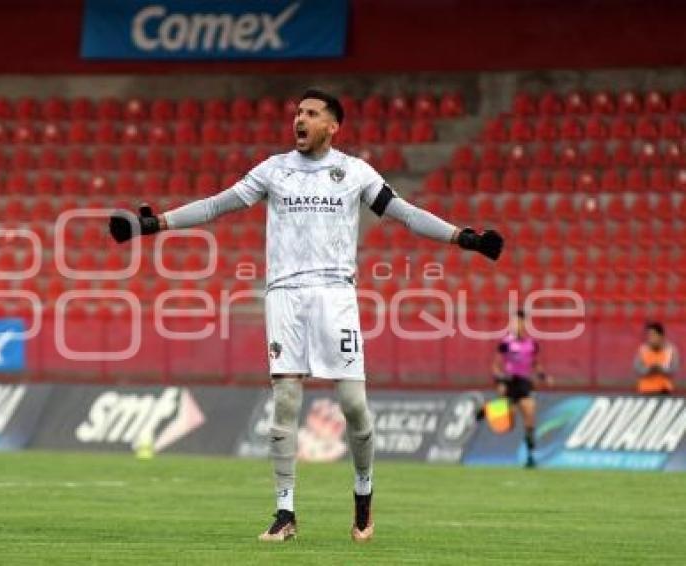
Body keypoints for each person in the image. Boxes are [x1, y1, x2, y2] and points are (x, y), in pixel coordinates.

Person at [108, 88, 503, 542]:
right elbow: (218, 204)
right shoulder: (274, 170)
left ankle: (363, 493)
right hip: (285, 295)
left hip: (336, 295)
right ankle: (284, 511)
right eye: (298, 111)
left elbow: (406, 214)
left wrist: (464, 238)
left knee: (354, 406)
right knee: (286, 400)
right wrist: (153, 223)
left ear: (332, 126)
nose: (300, 118)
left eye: (312, 113)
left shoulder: (354, 173)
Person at [482, 309, 551, 468]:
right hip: (510, 382)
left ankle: (530, 456)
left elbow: (536, 363)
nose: (517, 326)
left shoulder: (532, 344)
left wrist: (543, 376)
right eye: (515, 322)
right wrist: (499, 381)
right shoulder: (506, 344)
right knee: (508, 424)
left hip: (524, 383)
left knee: (530, 416)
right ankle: (488, 409)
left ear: (524, 324)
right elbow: (496, 366)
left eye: (520, 322)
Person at [634, 321, 680, 395]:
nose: (650, 338)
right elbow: (637, 369)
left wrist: (662, 369)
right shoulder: (642, 350)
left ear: (661, 336)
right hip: (645, 390)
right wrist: (649, 370)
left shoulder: (671, 350)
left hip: (664, 390)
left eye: (653, 335)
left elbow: (674, 369)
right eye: (648, 336)